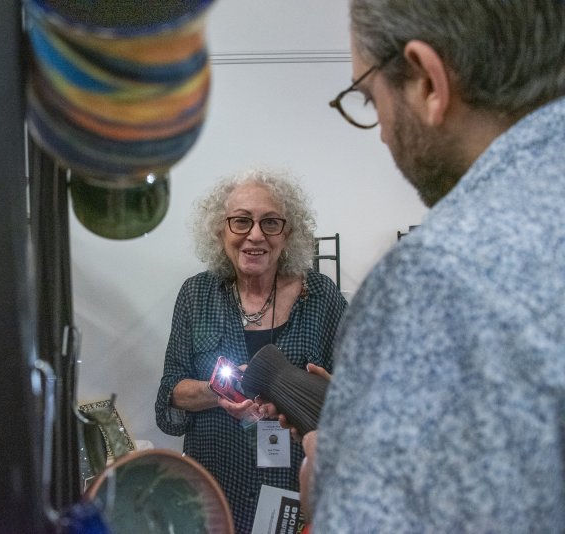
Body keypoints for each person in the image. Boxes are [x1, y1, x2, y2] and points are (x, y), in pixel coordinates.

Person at [299, 1, 565, 531]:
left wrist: (330, 485)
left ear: (425, 81)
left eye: (371, 98)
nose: (381, 134)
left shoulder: (437, 278)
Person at [154, 167, 348, 533]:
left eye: (270, 222)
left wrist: (332, 392)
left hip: (296, 493)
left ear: (288, 233)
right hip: (213, 489)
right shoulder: (197, 295)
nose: (255, 235)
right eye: (241, 222)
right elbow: (170, 394)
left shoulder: (322, 297)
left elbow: (358, 402)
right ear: (220, 231)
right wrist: (217, 391)